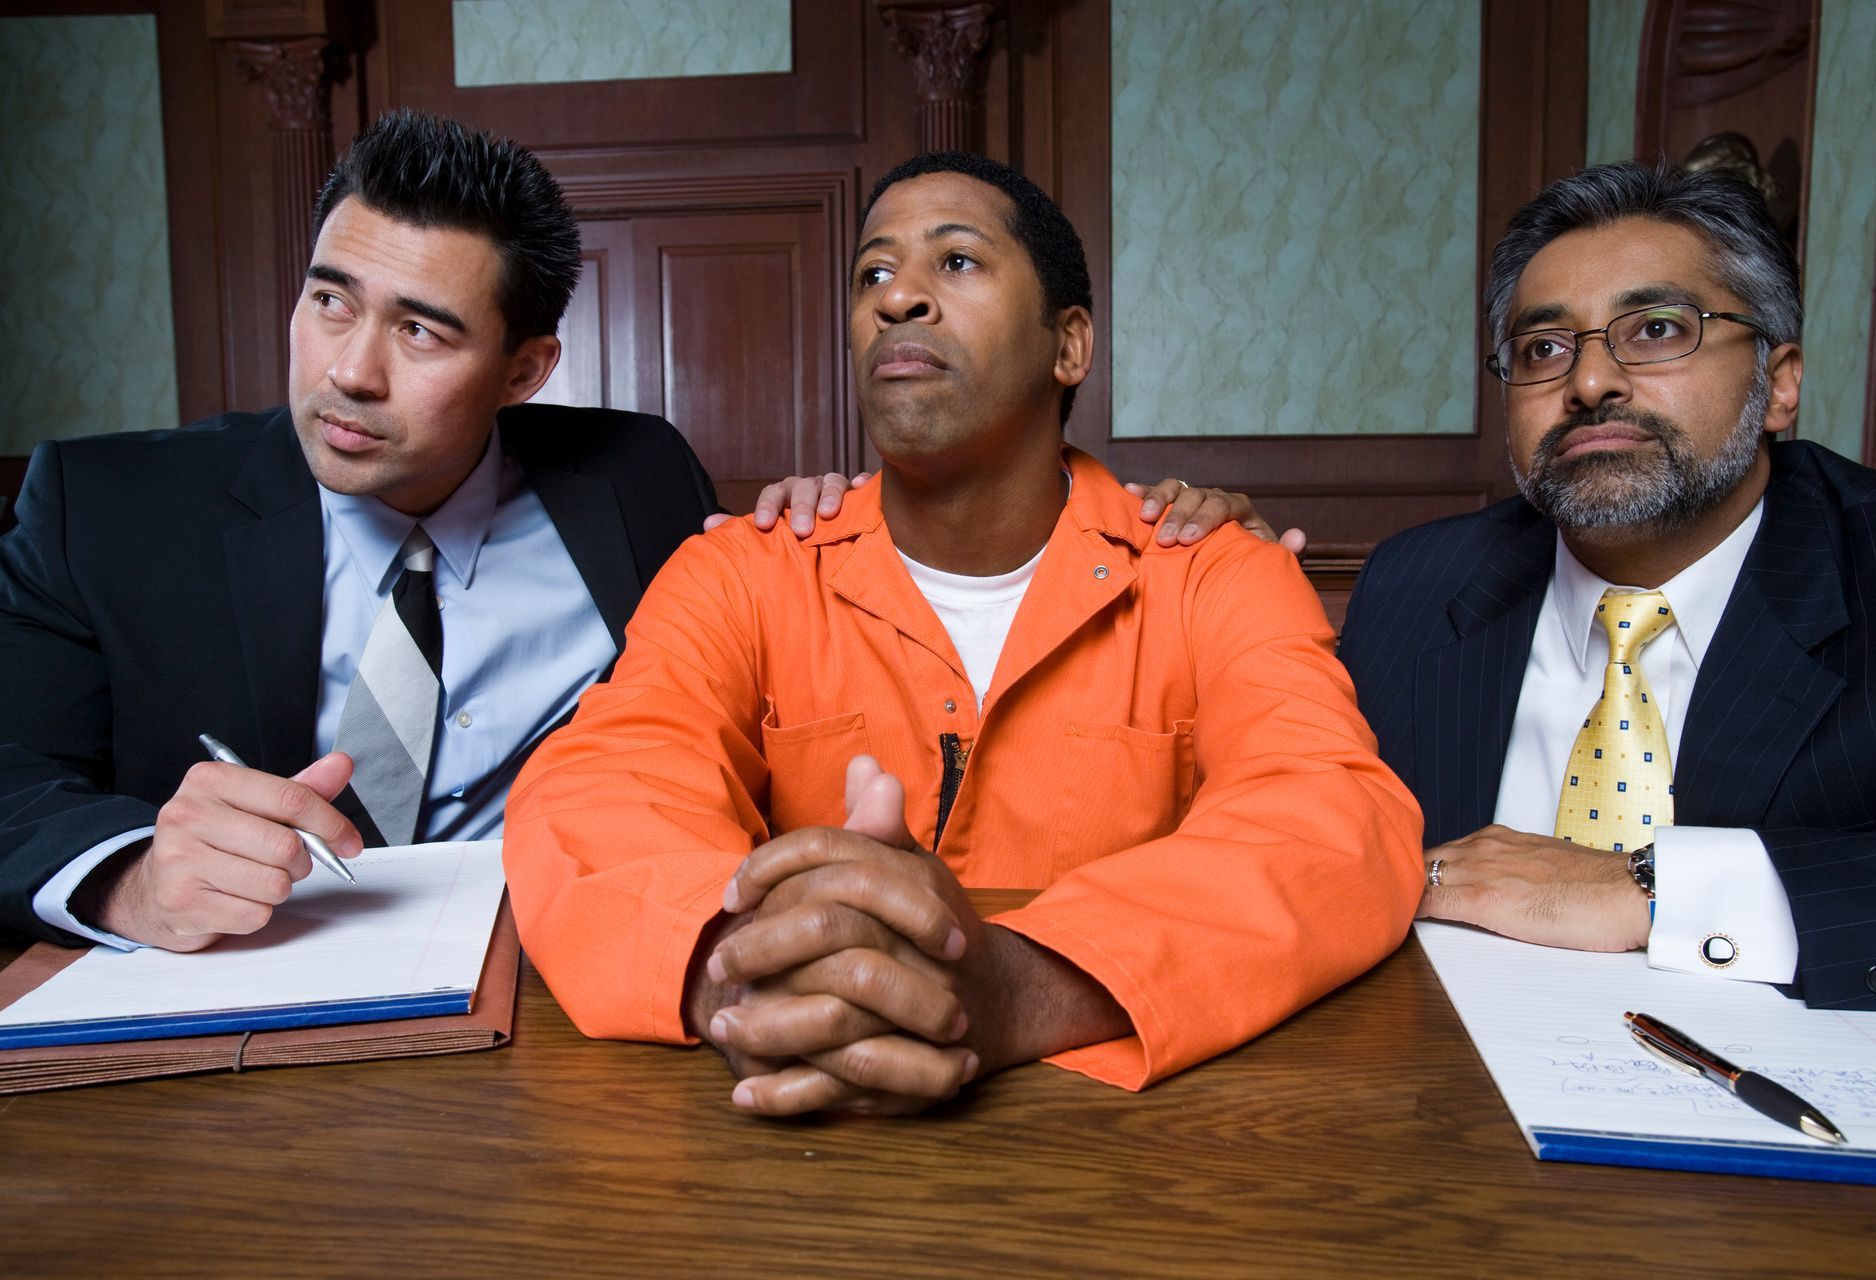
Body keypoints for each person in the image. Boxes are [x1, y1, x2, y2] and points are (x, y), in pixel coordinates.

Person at [504, 151, 1424, 1117]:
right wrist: (749, 976)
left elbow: (1333, 824)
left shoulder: (1215, 570)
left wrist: (1015, 990)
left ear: (1069, 345)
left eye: (956, 263)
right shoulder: (741, 569)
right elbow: (594, 793)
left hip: (1125, 1148)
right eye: (872, 274)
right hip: (788, 1144)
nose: (898, 298)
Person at [0, 110, 725, 952]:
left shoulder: (640, 476)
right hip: (247, 990)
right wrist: (133, 880)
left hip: (552, 969)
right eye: (331, 301)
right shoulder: (105, 510)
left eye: (419, 331)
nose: (349, 372)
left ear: (523, 371)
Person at [1339, 161, 1876, 1010]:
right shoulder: (1416, 584)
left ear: (1780, 384)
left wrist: (1653, 890)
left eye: (1655, 329)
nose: (1589, 382)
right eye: (1544, 348)